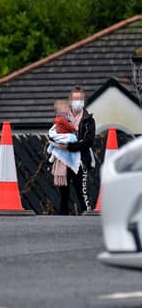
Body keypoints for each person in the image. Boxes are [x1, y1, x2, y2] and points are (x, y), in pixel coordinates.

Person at [49, 86, 96, 215]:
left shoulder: (88, 120)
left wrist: (70, 147)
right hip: (63, 161)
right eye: (75, 99)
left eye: (81, 99)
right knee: (64, 192)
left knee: (81, 192)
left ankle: (86, 216)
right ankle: (63, 220)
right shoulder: (62, 117)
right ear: (69, 101)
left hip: (81, 161)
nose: (78, 101)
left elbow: (89, 141)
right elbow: (52, 135)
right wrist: (60, 144)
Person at [47, 100, 81, 186]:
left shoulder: (62, 117)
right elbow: (68, 126)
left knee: (55, 146)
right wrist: (75, 129)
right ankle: (53, 157)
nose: (68, 108)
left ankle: (51, 157)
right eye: (65, 107)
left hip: (61, 134)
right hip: (63, 134)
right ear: (60, 110)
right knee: (72, 139)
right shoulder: (62, 118)